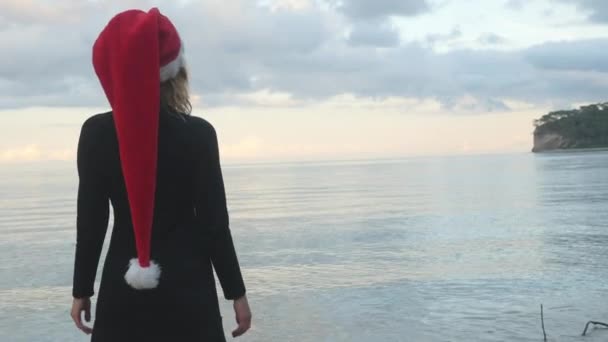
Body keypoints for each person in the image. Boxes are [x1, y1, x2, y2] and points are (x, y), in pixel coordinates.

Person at [69, 8, 252, 341]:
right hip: (189, 287)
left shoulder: (96, 133)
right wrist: (236, 293)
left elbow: (91, 221)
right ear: (175, 72)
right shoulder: (198, 135)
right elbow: (214, 224)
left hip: (122, 287)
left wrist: (82, 288)